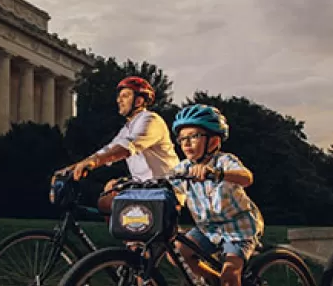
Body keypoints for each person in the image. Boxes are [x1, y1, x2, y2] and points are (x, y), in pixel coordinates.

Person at [170, 104, 264, 286]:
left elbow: (247, 177)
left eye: (194, 136)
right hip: (208, 229)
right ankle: (213, 279)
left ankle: (226, 280)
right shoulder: (183, 168)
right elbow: (166, 183)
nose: (186, 143)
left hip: (237, 227)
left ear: (213, 141)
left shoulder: (224, 161)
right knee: (178, 253)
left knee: (230, 274)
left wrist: (217, 173)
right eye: (182, 139)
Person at [57, 76, 179, 213]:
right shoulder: (128, 127)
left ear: (139, 100)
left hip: (165, 189)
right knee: (107, 198)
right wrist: (70, 169)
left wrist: (93, 162)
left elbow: (125, 148)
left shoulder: (150, 120)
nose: (119, 100)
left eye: (125, 96)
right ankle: (125, 234)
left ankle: (165, 233)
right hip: (145, 188)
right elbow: (107, 150)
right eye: (119, 96)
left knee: (113, 202)